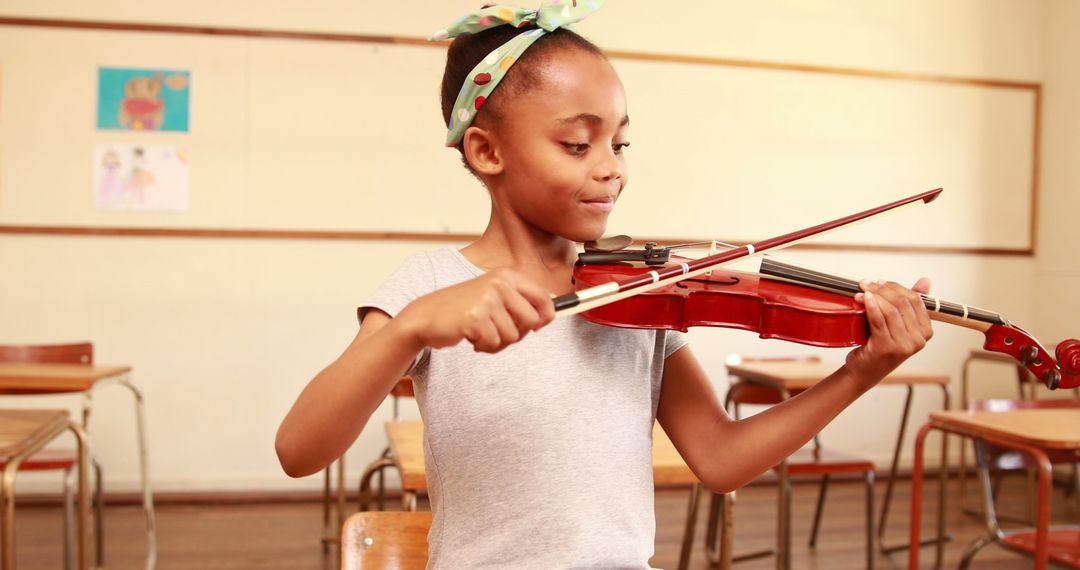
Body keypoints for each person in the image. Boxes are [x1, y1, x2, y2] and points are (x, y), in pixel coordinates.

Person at [275, 2, 933, 568]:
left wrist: (860, 372)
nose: (610, 170)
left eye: (620, 144)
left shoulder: (641, 293)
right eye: (577, 145)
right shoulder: (431, 284)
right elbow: (300, 450)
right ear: (487, 152)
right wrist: (413, 324)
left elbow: (721, 458)